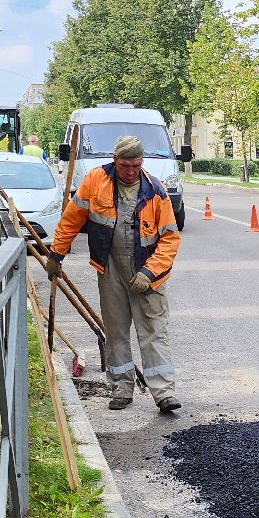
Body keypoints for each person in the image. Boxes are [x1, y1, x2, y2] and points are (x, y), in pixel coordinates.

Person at [50, 135, 181, 412]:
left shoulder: (156, 191)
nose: (130, 171)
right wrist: (56, 253)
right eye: (125, 166)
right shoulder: (95, 182)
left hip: (147, 272)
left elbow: (170, 238)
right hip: (110, 267)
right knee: (116, 329)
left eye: (135, 165)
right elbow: (72, 218)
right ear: (115, 161)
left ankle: (163, 393)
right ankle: (122, 386)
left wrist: (149, 272)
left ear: (141, 163)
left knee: (154, 331)